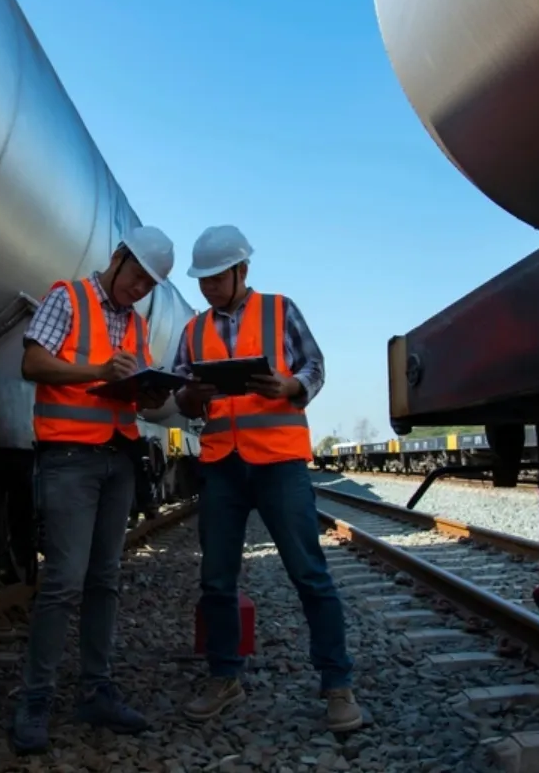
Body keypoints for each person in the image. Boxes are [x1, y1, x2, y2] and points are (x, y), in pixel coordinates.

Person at [172, 225, 364, 733]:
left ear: (242, 271)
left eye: (216, 277)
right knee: (216, 579)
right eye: (202, 280)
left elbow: (315, 365)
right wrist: (192, 394)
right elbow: (181, 397)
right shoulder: (193, 331)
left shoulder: (280, 310)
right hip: (221, 466)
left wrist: (290, 384)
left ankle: (337, 685)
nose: (208, 287)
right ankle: (224, 677)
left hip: (279, 463)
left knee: (309, 574)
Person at [10, 225, 176, 754]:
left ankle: (96, 691)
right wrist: (98, 372)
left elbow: (135, 397)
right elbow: (32, 362)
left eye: (149, 286)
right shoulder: (69, 297)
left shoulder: (136, 325)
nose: (138, 290)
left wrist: (147, 391)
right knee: (64, 580)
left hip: (118, 457)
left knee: (105, 579)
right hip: (69, 457)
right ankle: (35, 700)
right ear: (119, 257)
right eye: (137, 277)